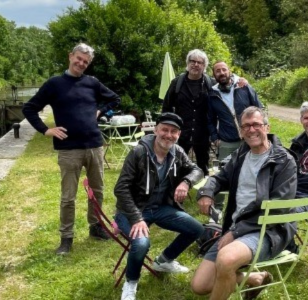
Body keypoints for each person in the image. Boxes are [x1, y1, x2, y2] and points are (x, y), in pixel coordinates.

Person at [22, 43, 121, 255]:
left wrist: (100, 112)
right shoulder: (54, 84)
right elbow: (29, 108)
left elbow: (114, 99)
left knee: (98, 192)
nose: (81, 63)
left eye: (86, 62)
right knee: (68, 197)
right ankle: (66, 238)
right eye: (79, 58)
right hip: (68, 149)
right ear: (70, 56)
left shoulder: (92, 83)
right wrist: (46, 130)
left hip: (94, 145)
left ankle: (96, 227)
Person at [191, 106, 297, 300]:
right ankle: (256, 279)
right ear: (241, 131)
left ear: (267, 127)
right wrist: (206, 192)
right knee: (200, 285)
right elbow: (219, 177)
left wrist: (235, 232)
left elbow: (278, 208)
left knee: (226, 259)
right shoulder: (241, 154)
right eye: (245, 126)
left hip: (268, 230)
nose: (251, 129)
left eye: (256, 124)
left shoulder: (284, 161)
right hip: (237, 227)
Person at [114, 112, 204, 300]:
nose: (168, 135)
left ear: (178, 134)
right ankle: (131, 283)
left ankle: (163, 261)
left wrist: (186, 182)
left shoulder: (177, 152)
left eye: (174, 131)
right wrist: (137, 218)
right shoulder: (138, 152)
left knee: (196, 229)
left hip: (160, 208)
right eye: (164, 129)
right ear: (156, 130)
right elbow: (121, 189)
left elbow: (197, 170)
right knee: (141, 243)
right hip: (133, 210)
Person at [162, 50, 247, 177]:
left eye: (199, 62)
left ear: (204, 66)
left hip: (202, 134)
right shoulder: (176, 83)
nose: (195, 65)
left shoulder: (211, 84)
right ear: (187, 63)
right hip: (180, 134)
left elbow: (227, 82)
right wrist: (167, 129)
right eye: (192, 61)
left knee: (203, 167)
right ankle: (175, 191)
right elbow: (166, 108)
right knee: (176, 165)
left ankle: (202, 193)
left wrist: (241, 80)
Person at [208, 61, 263, 214]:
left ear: (229, 71)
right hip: (226, 141)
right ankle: (216, 211)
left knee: (253, 172)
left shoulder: (244, 87)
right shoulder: (212, 94)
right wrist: (215, 137)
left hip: (249, 139)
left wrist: (261, 133)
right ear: (214, 75)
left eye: (224, 69)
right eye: (217, 71)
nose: (221, 73)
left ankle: (252, 207)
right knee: (221, 174)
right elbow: (210, 119)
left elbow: (259, 109)